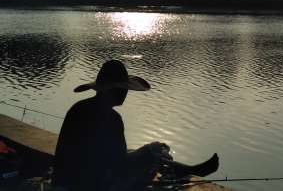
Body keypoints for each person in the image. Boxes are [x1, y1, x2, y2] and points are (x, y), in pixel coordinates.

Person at [53, 60, 218, 191]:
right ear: (111, 90)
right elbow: (119, 164)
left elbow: (105, 156)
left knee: (139, 152)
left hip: (65, 179)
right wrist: (149, 151)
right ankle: (186, 170)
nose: (125, 93)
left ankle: (185, 169)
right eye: (122, 89)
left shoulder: (78, 108)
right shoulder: (112, 118)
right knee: (154, 153)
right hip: (91, 185)